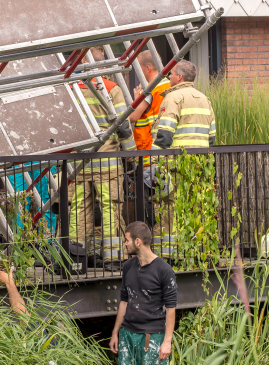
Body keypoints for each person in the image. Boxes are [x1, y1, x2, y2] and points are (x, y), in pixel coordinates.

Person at [71, 47, 135, 270]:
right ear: (104, 65)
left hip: (78, 164)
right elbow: (123, 127)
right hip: (107, 162)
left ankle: (77, 258)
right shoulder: (111, 89)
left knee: (79, 209)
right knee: (110, 208)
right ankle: (114, 258)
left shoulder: (71, 89)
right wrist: (131, 159)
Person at [110, 221, 177, 365]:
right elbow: (124, 300)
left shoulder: (164, 270)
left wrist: (167, 341)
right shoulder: (128, 266)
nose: (124, 244)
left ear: (137, 242)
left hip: (152, 337)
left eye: (127, 240)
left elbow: (171, 308)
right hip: (127, 335)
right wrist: (115, 333)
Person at [149, 60, 216, 259]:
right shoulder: (205, 99)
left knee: (169, 206)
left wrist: (153, 163)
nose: (168, 77)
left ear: (179, 77)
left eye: (170, 74)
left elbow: (165, 135)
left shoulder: (173, 98)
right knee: (196, 206)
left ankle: (168, 255)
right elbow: (211, 137)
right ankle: (194, 252)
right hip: (200, 163)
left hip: (176, 164)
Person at [127, 50, 172, 154]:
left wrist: (137, 99)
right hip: (168, 147)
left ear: (148, 68)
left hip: (149, 148)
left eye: (139, 68)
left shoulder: (150, 90)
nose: (138, 72)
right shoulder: (170, 85)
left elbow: (132, 117)